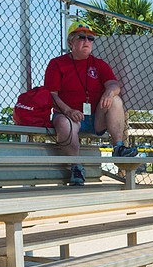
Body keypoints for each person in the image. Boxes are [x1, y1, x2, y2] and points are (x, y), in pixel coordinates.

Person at [44, 20, 135, 186]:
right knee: (64, 123)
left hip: (95, 117)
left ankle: (118, 147)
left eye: (90, 38)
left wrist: (109, 92)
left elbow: (114, 85)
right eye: (82, 37)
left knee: (115, 100)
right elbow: (51, 95)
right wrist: (68, 110)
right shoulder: (57, 64)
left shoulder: (99, 64)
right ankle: (76, 166)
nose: (87, 41)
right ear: (70, 42)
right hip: (69, 116)